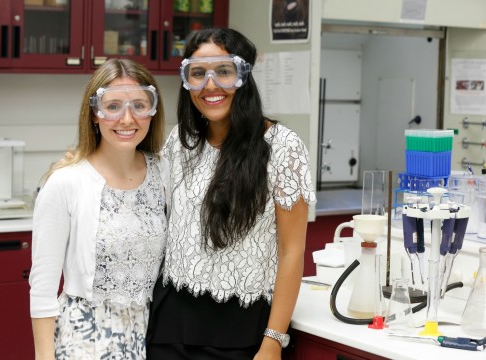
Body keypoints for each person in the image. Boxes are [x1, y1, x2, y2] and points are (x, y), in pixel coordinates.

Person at [147, 28, 316, 360]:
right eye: (198, 74)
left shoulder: (283, 147)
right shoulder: (181, 141)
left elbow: (291, 251)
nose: (210, 85)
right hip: (170, 325)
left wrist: (273, 340)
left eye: (223, 71)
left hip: (239, 329)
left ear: (244, 76)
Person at [29, 58, 170, 360]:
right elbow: (42, 289)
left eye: (139, 105)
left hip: (153, 338)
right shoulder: (66, 182)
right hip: (87, 342)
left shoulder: (164, 173)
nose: (127, 118)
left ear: (153, 112)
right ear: (94, 113)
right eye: (113, 106)